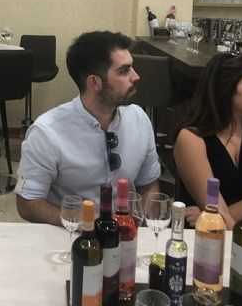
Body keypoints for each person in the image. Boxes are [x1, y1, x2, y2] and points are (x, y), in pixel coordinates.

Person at [16, 31, 161, 226]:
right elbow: (28, 204)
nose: (136, 77)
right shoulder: (47, 132)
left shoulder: (139, 120)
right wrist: (83, 220)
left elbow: (148, 183)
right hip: (69, 235)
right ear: (94, 82)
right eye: (124, 71)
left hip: (126, 234)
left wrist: (147, 229)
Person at [173, 51, 242, 229]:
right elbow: (214, 210)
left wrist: (208, 215)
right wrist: (215, 216)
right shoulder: (191, 138)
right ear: (226, 90)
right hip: (202, 237)